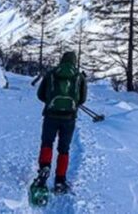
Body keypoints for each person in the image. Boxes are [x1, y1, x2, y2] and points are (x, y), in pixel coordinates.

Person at [32, 51, 87, 194]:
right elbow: (82, 99)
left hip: (51, 115)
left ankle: (44, 168)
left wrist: (51, 101)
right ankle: (60, 180)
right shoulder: (79, 76)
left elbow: (40, 94)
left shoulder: (51, 73)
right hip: (69, 118)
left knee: (47, 143)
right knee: (64, 149)